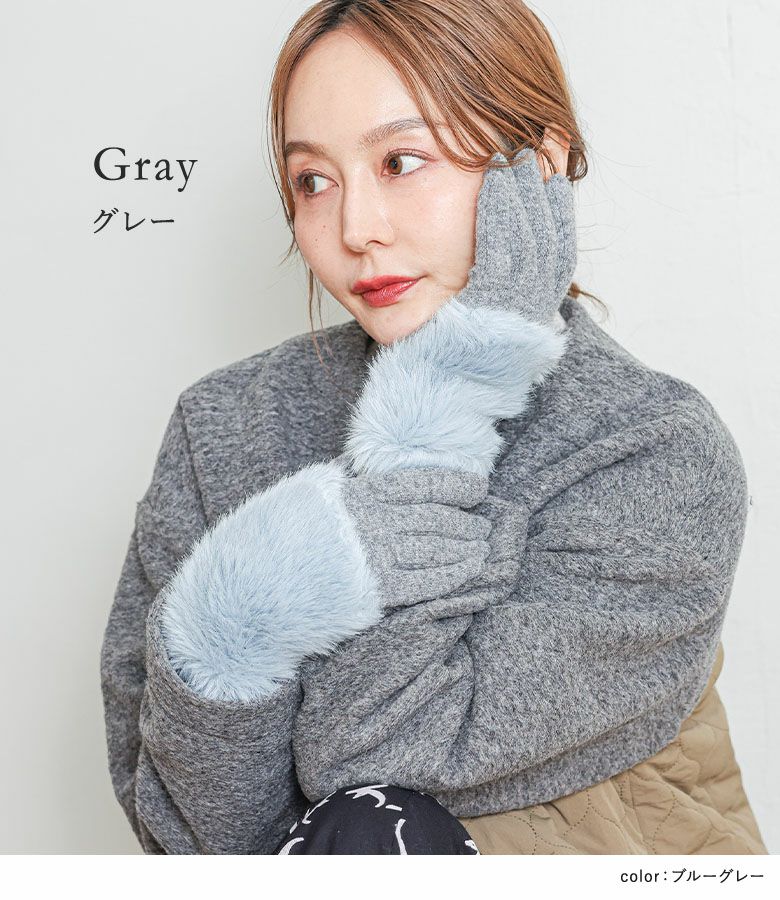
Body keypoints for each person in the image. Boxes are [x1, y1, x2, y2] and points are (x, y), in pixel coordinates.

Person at [100, 0, 767, 854]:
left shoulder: (654, 449)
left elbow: (371, 772)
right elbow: (194, 836)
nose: (355, 229)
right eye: (312, 181)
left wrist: (447, 398)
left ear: (541, 164)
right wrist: (234, 612)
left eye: (401, 161)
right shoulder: (223, 424)